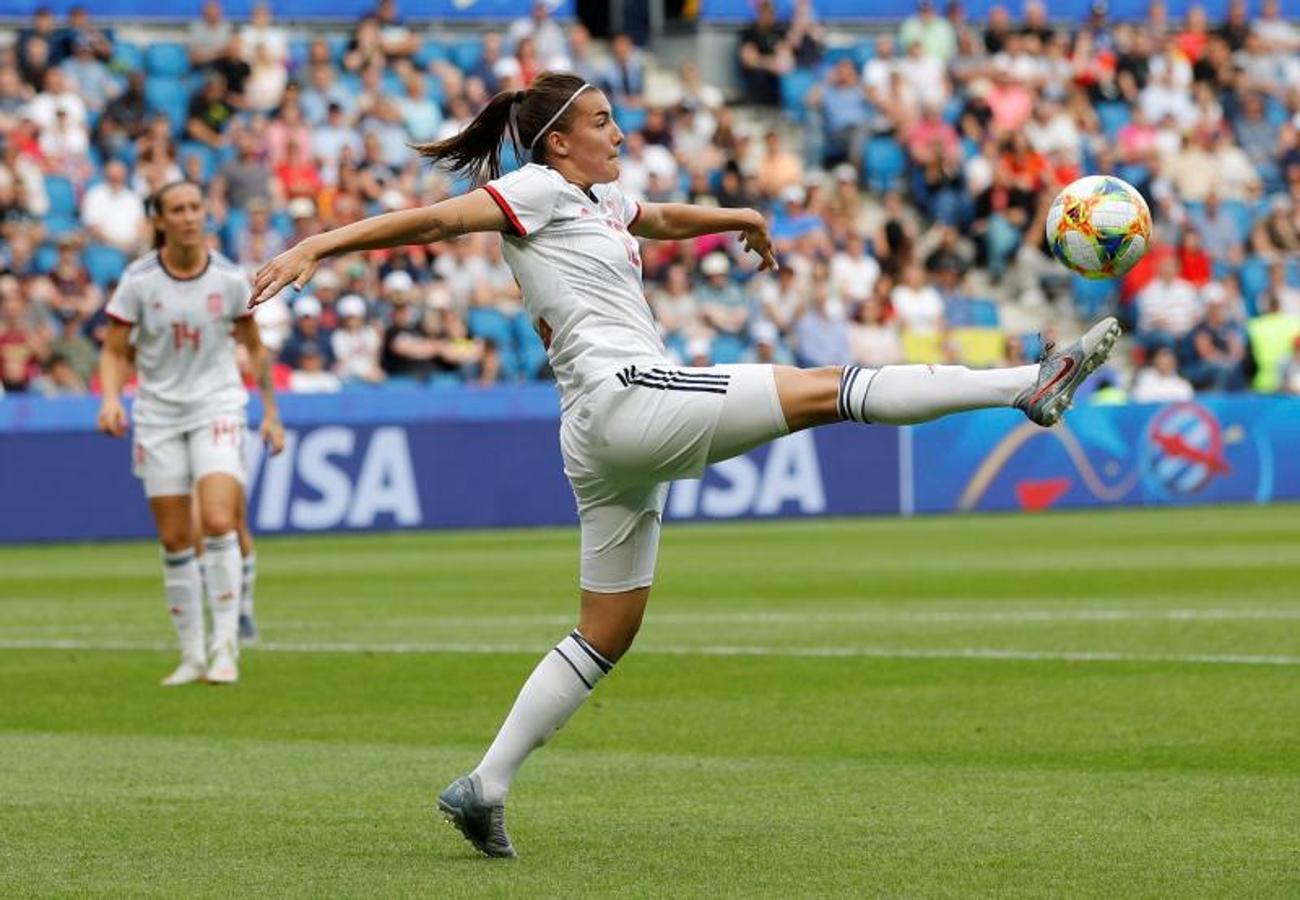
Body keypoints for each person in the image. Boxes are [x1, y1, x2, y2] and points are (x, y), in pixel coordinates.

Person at [248, 71, 1119, 858]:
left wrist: (736, 217)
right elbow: (438, 220)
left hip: (597, 432)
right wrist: (317, 247)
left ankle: (484, 786)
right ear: (558, 140)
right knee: (828, 389)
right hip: (627, 395)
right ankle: (1026, 385)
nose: (619, 132)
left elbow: (658, 220)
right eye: (602, 120)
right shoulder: (536, 187)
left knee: (608, 629)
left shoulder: (594, 199)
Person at [97, 180, 284, 687]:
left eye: (195, 208)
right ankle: (192, 655)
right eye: (177, 210)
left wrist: (270, 412)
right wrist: (112, 398)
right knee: (176, 537)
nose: (188, 217)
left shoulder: (227, 277)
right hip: (157, 414)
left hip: (217, 404)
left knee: (220, 520)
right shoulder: (137, 281)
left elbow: (255, 347)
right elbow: (114, 350)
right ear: (160, 220)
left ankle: (226, 650)